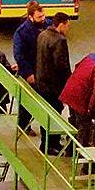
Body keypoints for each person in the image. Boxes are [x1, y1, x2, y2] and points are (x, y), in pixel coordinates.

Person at [35, 12, 73, 154]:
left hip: (41, 82)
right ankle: (52, 144)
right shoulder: (59, 41)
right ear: (61, 24)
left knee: (45, 114)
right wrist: (69, 82)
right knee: (55, 114)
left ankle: (45, 142)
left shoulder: (43, 35)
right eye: (67, 25)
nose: (68, 29)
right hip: (54, 85)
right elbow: (61, 65)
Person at [13, 1, 52, 135]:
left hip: (45, 70)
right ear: (30, 17)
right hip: (31, 70)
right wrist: (28, 73)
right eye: (39, 17)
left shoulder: (48, 25)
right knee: (28, 101)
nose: (43, 19)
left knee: (47, 99)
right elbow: (19, 54)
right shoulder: (22, 32)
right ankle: (23, 126)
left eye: (43, 16)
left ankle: (45, 128)